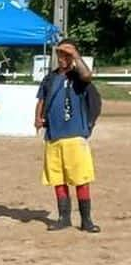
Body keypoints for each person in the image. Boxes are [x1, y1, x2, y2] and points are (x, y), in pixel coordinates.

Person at [35, 39, 100, 233]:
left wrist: (76, 55)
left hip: (74, 135)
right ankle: (64, 217)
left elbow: (88, 75)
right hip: (53, 135)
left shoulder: (78, 77)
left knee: (81, 178)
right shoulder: (49, 78)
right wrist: (37, 118)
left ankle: (86, 220)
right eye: (60, 55)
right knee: (58, 178)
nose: (62, 59)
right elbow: (42, 99)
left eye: (66, 55)